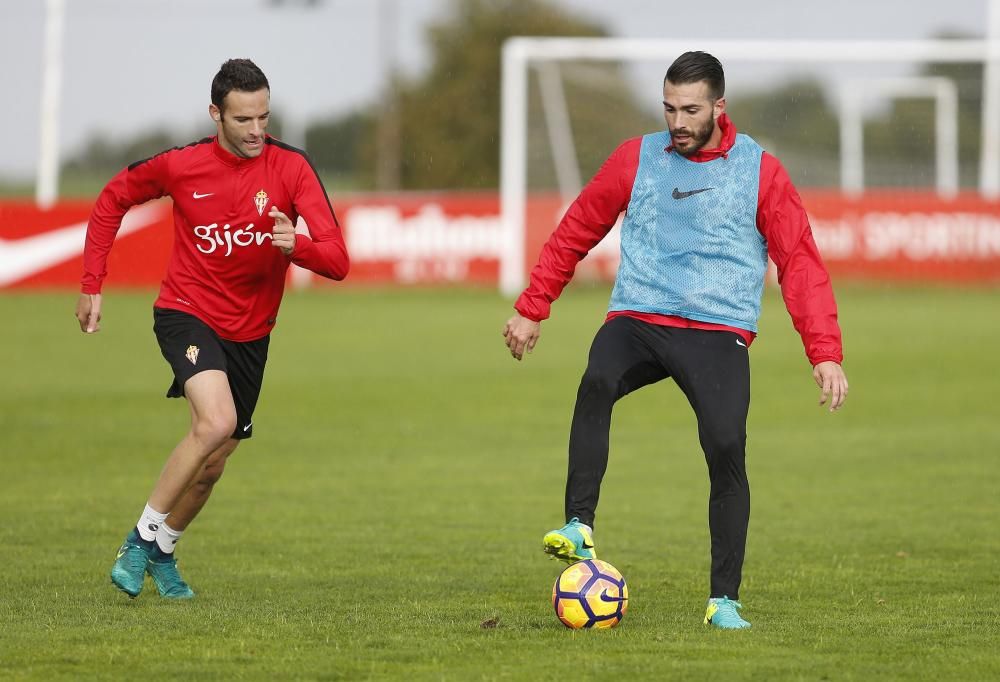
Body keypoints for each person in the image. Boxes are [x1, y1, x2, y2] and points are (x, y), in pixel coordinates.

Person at [502, 51, 848, 629]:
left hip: (718, 332)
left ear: (719, 106)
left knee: (724, 447)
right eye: (669, 108)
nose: (678, 122)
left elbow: (800, 263)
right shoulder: (635, 158)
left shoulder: (760, 171)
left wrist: (825, 353)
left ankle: (723, 602)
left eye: (690, 110)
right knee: (597, 379)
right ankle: (578, 526)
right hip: (639, 317)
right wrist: (532, 308)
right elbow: (576, 229)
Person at [76, 59, 350, 599]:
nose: (255, 131)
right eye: (243, 119)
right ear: (215, 114)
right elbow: (113, 199)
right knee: (216, 422)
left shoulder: (292, 168)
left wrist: (301, 248)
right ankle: (139, 539)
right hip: (186, 310)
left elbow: (339, 261)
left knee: (214, 463)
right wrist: (92, 281)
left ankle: (164, 553)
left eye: (263, 118)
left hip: (252, 332)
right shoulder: (181, 166)